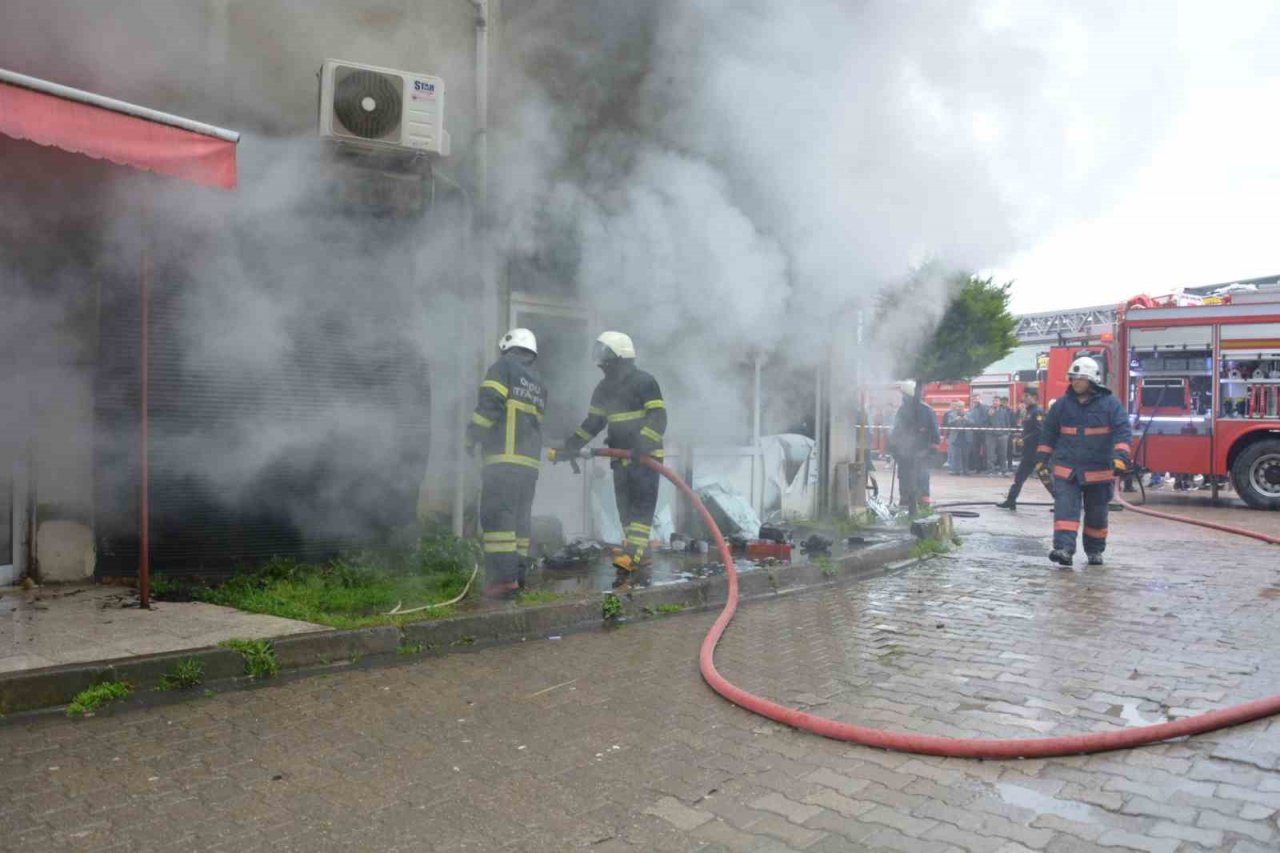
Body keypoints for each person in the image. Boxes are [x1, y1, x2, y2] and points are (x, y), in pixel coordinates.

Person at [560, 331, 666, 589]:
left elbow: (658, 419)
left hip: (645, 460)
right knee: (627, 514)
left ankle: (632, 558)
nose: (601, 364)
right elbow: (594, 422)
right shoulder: (604, 388)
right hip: (621, 461)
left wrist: (642, 444)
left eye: (605, 358)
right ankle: (641, 560)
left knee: (640, 514)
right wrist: (572, 444)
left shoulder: (644, 382)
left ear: (619, 357)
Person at [466, 328, 546, 600]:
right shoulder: (538, 382)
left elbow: (490, 405)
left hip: (503, 461)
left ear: (508, 348)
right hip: (529, 466)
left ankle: (503, 580)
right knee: (520, 522)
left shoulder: (502, 368)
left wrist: (471, 436)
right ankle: (518, 575)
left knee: (498, 519)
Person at [1035, 357, 1131, 567]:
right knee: (1065, 511)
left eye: (1080, 378)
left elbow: (1122, 431)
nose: (1076, 382)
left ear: (1092, 380)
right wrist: (1041, 458)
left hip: (1099, 472)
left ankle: (1095, 551)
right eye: (1073, 378)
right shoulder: (1061, 405)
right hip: (1067, 470)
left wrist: (1121, 457)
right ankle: (1064, 550)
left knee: (1096, 514)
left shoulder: (1110, 405)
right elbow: (1048, 433)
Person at [889, 380, 941, 511]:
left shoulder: (926, 410)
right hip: (905, 453)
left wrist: (931, 450)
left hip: (921, 452)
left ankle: (921, 504)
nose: (903, 398)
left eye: (904, 396)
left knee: (921, 477)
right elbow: (896, 431)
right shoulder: (903, 411)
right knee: (907, 477)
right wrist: (894, 448)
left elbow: (935, 434)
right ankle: (907, 503)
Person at [996, 387, 1049, 510]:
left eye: (1026, 396)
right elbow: (1028, 430)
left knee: (1046, 479)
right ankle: (1011, 500)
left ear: (1034, 397)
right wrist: (1021, 436)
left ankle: (1062, 503)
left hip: (1036, 452)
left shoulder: (1037, 411)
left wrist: (1024, 439)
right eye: (1023, 396)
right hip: (1028, 452)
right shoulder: (1028, 411)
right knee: (1019, 477)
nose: (1023, 399)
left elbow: (1040, 431)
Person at [941, 400, 970, 474]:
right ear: (956, 407)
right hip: (955, 437)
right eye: (958, 406)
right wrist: (955, 420)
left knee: (965, 455)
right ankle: (955, 470)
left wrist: (966, 419)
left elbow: (973, 423)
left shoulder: (968, 414)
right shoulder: (951, 415)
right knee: (955, 455)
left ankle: (965, 470)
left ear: (963, 407)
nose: (959, 408)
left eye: (961, 407)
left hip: (965, 437)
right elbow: (948, 424)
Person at [990, 395, 1015, 474]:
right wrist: (989, 415)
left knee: (1003, 454)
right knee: (991, 454)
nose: (995, 402)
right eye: (994, 401)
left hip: (1003, 435)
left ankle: (1003, 470)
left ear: (999, 402)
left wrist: (1007, 433)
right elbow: (985, 422)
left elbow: (1008, 423)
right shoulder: (989, 411)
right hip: (992, 436)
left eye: (997, 401)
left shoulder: (1004, 411)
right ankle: (991, 470)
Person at [967, 396, 991, 472]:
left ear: (980, 400)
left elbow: (986, 418)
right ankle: (977, 467)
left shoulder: (985, 407)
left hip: (984, 432)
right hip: (975, 432)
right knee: (975, 451)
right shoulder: (972, 409)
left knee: (985, 451)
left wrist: (978, 425)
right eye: (974, 399)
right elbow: (970, 419)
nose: (975, 401)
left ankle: (985, 467)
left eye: (977, 399)